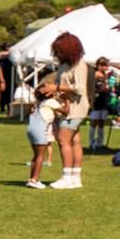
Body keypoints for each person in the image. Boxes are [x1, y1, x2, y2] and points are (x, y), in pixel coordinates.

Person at [49, 32, 90, 190]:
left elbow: (79, 88)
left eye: (59, 50)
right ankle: (75, 178)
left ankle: (67, 176)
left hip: (75, 109)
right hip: (69, 108)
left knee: (62, 140)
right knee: (74, 142)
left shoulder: (79, 64)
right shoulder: (65, 65)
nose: (57, 53)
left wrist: (57, 87)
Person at [25, 73, 64, 188]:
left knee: (36, 156)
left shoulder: (39, 103)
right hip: (40, 130)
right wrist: (66, 100)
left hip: (31, 129)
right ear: (48, 93)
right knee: (41, 156)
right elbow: (65, 111)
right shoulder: (52, 102)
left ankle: (31, 178)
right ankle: (35, 180)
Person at [87, 58, 114, 152]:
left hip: (104, 101)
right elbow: (92, 88)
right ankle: (91, 143)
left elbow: (108, 87)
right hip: (96, 101)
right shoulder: (95, 75)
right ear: (98, 65)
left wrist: (109, 88)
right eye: (104, 65)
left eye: (107, 65)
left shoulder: (106, 75)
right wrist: (103, 90)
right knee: (94, 122)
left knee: (102, 123)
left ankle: (100, 143)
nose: (106, 67)